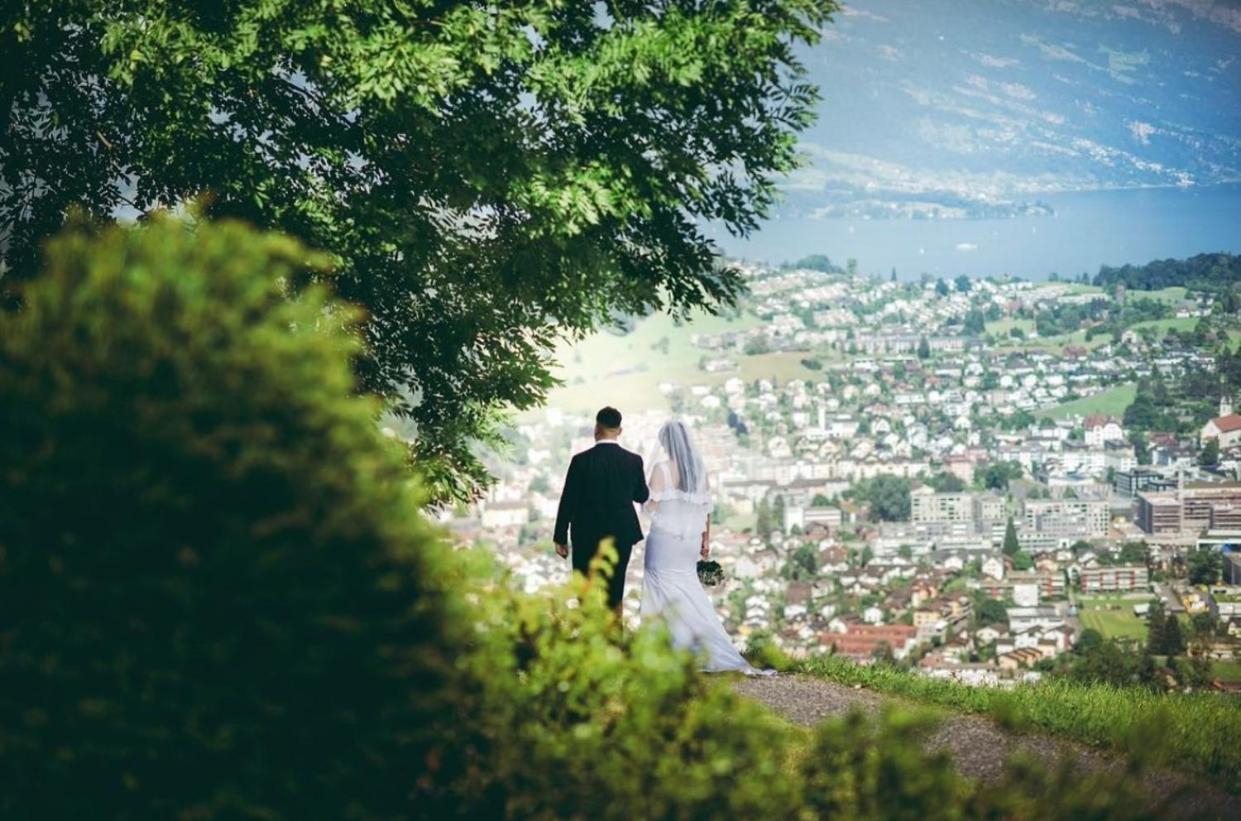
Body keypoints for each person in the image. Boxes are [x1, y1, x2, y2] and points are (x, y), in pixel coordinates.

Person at [641, 420, 773, 675]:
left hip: (665, 541)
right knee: (689, 590)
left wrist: (642, 502)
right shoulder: (699, 471)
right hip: (690, 541)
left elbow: (651, 506)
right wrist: (705, 541)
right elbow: (706, 510)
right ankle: (707, 647)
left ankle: (667, 649)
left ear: (666, 443)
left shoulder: (661, 470)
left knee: (660, 588)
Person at [553, 406, 650, 617]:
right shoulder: (633, 461)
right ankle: (616, 643)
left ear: (596, 429)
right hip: (621, 534)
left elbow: (568, 500)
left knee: (585, 593)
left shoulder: (580, 461)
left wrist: (560, 536)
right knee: (615, 592)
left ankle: (589, 643)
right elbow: (641, 496)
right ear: (620, 430)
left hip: (585, 534)